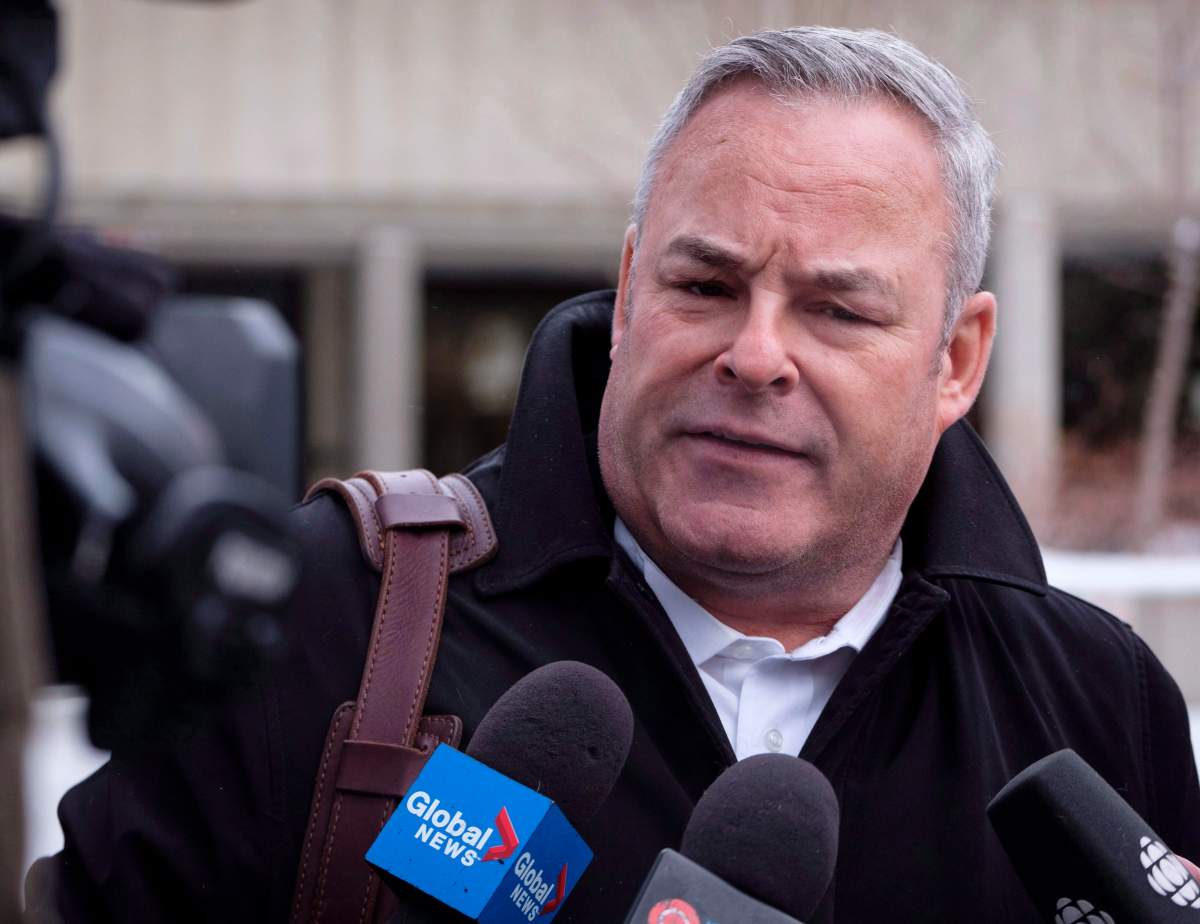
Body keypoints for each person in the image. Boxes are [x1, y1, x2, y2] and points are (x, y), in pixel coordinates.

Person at [31, 26, 1200, 923]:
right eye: (705, 286)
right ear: (630, 287)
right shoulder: (336, 614)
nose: (755, 355)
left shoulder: (1097, 702)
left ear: (956, 360)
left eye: (839, 310)